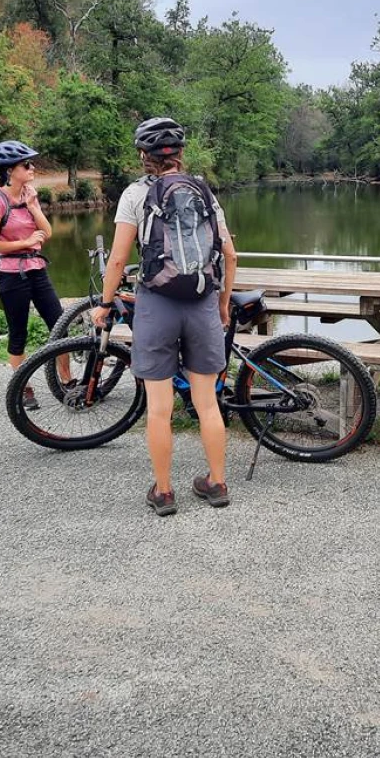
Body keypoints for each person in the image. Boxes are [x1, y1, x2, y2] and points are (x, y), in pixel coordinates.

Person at [91, 117, 238, 517]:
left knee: (159, 409)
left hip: (156, 303)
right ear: (180, 154)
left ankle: (165, 491)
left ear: (144, 155)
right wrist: (223, 304)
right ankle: (217, 484)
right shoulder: (204, 191)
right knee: (207, 403)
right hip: (203, 300)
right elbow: (229, 255)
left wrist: (105, 304)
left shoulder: (135, 195)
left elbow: (119, 258)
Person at [0, 140, 70, 409]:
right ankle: (24, 388)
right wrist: (25, 242)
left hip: (37, 270)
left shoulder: (29, 195)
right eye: (26, 165)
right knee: (18, 334)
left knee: (60, 325)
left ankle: (67, 382)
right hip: (11, 275)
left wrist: (33, 206)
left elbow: (48, 233)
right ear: (9, 171)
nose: (32, 168)